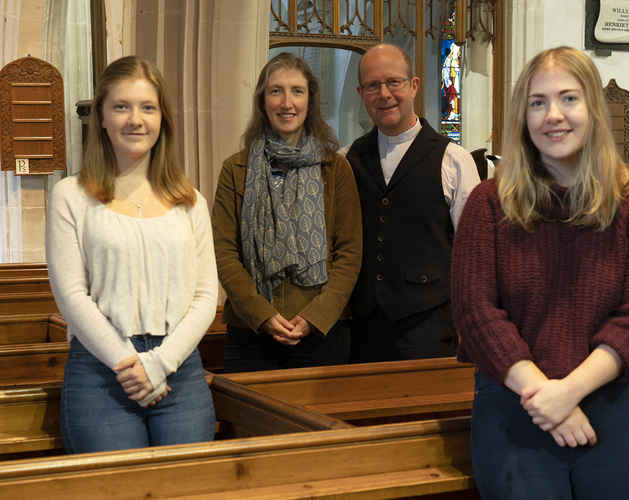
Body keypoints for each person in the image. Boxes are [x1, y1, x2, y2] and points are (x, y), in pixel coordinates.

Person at [451, 46, 629, 499]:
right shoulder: (488, 204)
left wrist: (567, 394)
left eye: (569, 98)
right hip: (514, 404)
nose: (554, 115)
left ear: (593, 109)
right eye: (537, 102)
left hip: (608, 408)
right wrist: (546, 396)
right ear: (523, 117)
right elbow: (476, 312)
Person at [46, 56, 218, 453]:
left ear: (163, 119)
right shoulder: (71, 196)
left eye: (147, 107)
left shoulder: (189, 201)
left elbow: (206, 295)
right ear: (102, 117)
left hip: (179, 369)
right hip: (101, 372)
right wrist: (130, 365)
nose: (135, 120)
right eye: (121, 107)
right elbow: (72, 295)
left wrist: (157, 365)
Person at [212, 52, 362, 371]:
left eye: (297, 91)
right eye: (275, 90)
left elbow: (349, 253)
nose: (286, 102)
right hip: (251, 332)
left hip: (323, 332)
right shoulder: (235, 169)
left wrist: (314, 317)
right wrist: (262, 315)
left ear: (310, 100)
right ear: (262, 101)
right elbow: (225, 251)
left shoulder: (335, 168)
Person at [343, 43, 480, 362]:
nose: (384, 94)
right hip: (364, 331)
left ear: (414, 85)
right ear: (361, 93)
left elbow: (472, 252)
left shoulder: (453, 160)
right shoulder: (347, 159)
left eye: (394, 82)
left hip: (430, 329)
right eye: (373, 86)